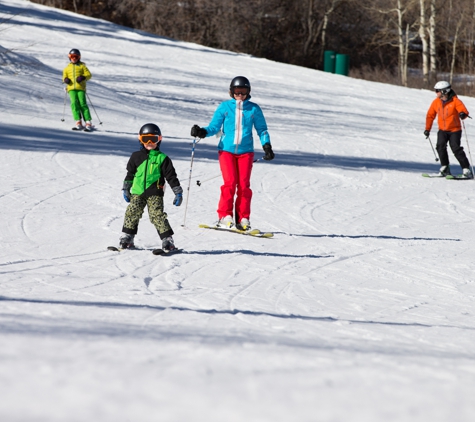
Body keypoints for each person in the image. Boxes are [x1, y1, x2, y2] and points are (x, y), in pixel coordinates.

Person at [190, 76, 275, 231]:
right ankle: (225, 216)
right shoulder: (224, 107)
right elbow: (214, 127)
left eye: (243, 91)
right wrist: (202, 131)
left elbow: (262, 130)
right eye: (237, 91)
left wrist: (267, 146)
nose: (240, 95)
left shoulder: (254, 109)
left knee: (244, 186)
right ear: (231, 91)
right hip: (226, 151)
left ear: (248, 92)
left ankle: (243, 218)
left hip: (246, 152)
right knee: (230, 183)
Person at [119, 123, 183, 251]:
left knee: (157, 215)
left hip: (155, 192)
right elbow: (130, 174)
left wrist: (177, 192)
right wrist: (126, 188)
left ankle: (167, 240)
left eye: (153, 139)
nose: (149, 142)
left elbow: (171, 177)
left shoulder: (163, 158)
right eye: (145, 139)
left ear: (159, 139)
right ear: (140, 139)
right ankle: (128, 237)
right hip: (137, 192)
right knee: (132, 212)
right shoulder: (136, 156)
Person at [424, 81, 473, 178]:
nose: (436, 93)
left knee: (455, 148)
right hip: (442, 130)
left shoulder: (455, 101)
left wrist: (463, 114)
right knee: (440, 146)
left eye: (437, 91)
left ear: (444, 91)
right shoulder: (436, 102)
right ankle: (445, 168)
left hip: (455, 130)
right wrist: (427, 129)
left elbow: (464, 111)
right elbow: (430, 116)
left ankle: (467, 170)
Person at [62, 49, 93, 131]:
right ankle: (78, 121)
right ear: (69, 57)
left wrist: (83, 77)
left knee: (82, 104)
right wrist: (66, 80)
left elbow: (89, 75)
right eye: (72, 56)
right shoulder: (67, 68)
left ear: (79, 57)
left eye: (76, 56)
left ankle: (88, 122)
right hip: (71, 89)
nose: (74, 58)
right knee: (74, 104)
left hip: (80, 88)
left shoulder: (82, 66)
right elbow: (64, 77)